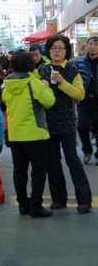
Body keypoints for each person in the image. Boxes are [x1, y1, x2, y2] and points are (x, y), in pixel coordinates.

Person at [38, 35, 92, 213]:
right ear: (49, 50)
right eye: (53, 47)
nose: (57, 51)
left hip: (67, 122)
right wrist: (41, 87)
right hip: (47, 123)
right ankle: (58, 199)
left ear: (67, 51)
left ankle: (84, 200)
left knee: (73, 160)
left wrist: (62, 83)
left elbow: (80, 95)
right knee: (52, 163)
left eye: (61, 48)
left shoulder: (72, 71)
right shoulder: (42, 70)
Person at [2, 50, 55, 217]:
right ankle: (36, 206)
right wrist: (48, 88)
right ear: (32, 66)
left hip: (15, 134)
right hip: (34, 133)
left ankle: (23, 206)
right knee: (39, 169)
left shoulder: (8, 85)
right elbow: (49, 102)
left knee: (20, 170)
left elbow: (4, 101)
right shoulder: (35, 83)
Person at [72, 36, 98, 164]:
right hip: (84, 100)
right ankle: (87, 151)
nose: (93, 47)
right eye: (91, 44)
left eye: (96, 44)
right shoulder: (79, 61)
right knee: (82, 126)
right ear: (87, 46)